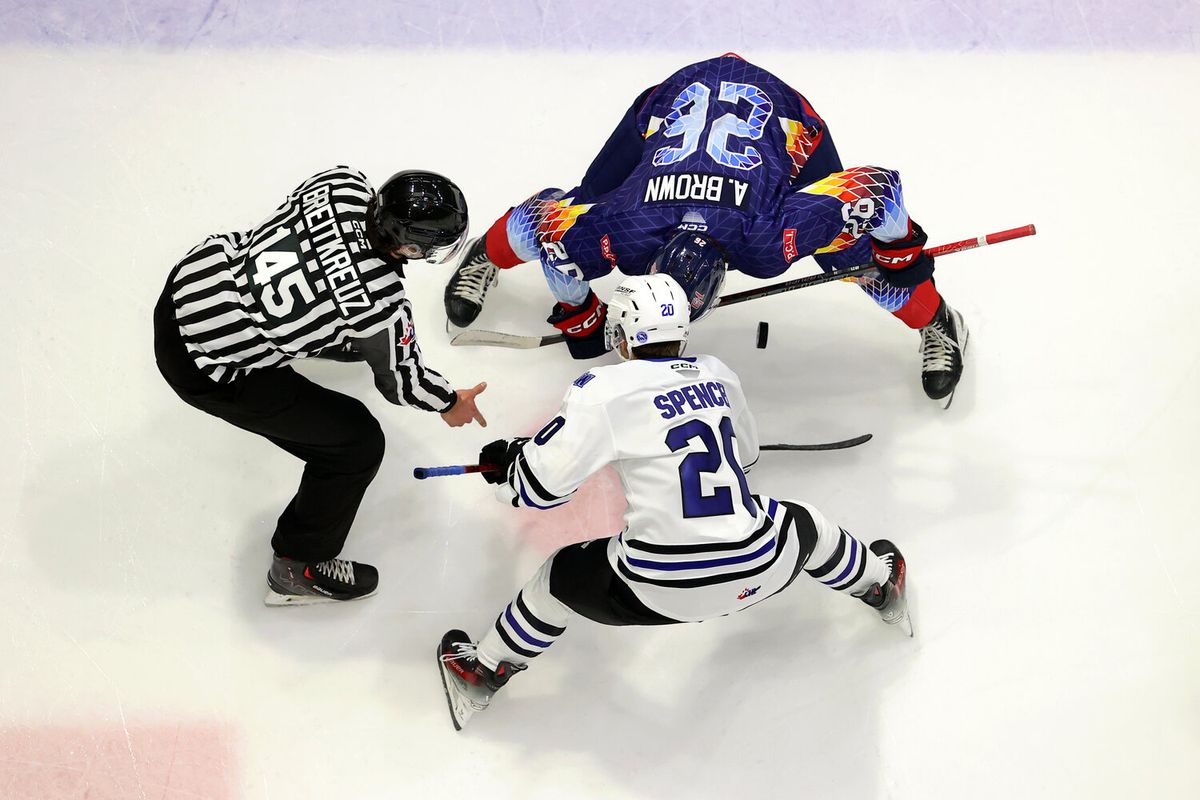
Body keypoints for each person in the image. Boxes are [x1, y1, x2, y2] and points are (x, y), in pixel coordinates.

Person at [436, 273, 909, 730]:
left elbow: (537, 488)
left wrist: (508, 464)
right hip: (764, 569)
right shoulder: (719, 374)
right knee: (811, 525)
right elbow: (744, 458)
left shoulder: (600, 391)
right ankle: (879, 587)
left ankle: (486, 670)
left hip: (658, 589)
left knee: (555, 580)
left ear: (620, 330)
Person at [444, 53, 967, 407]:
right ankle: (483, 257)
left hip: (782, 116)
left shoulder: (769, 238)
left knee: (850, 258)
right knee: (584, 199)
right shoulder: (625, 225)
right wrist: (581, 311)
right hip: (672, 98)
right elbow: (548, 226)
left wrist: (895, 252)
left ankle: (938, 321)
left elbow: (874, 188)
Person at [153, 166, 488, 606]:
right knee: (357, 445)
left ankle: (322, 330)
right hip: (203, 365)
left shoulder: (341, 184)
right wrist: (450, 401)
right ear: (409, 246)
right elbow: (403, 383)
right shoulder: (379, 304)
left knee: (339, 322)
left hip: (190, 284)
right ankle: (297, 567)